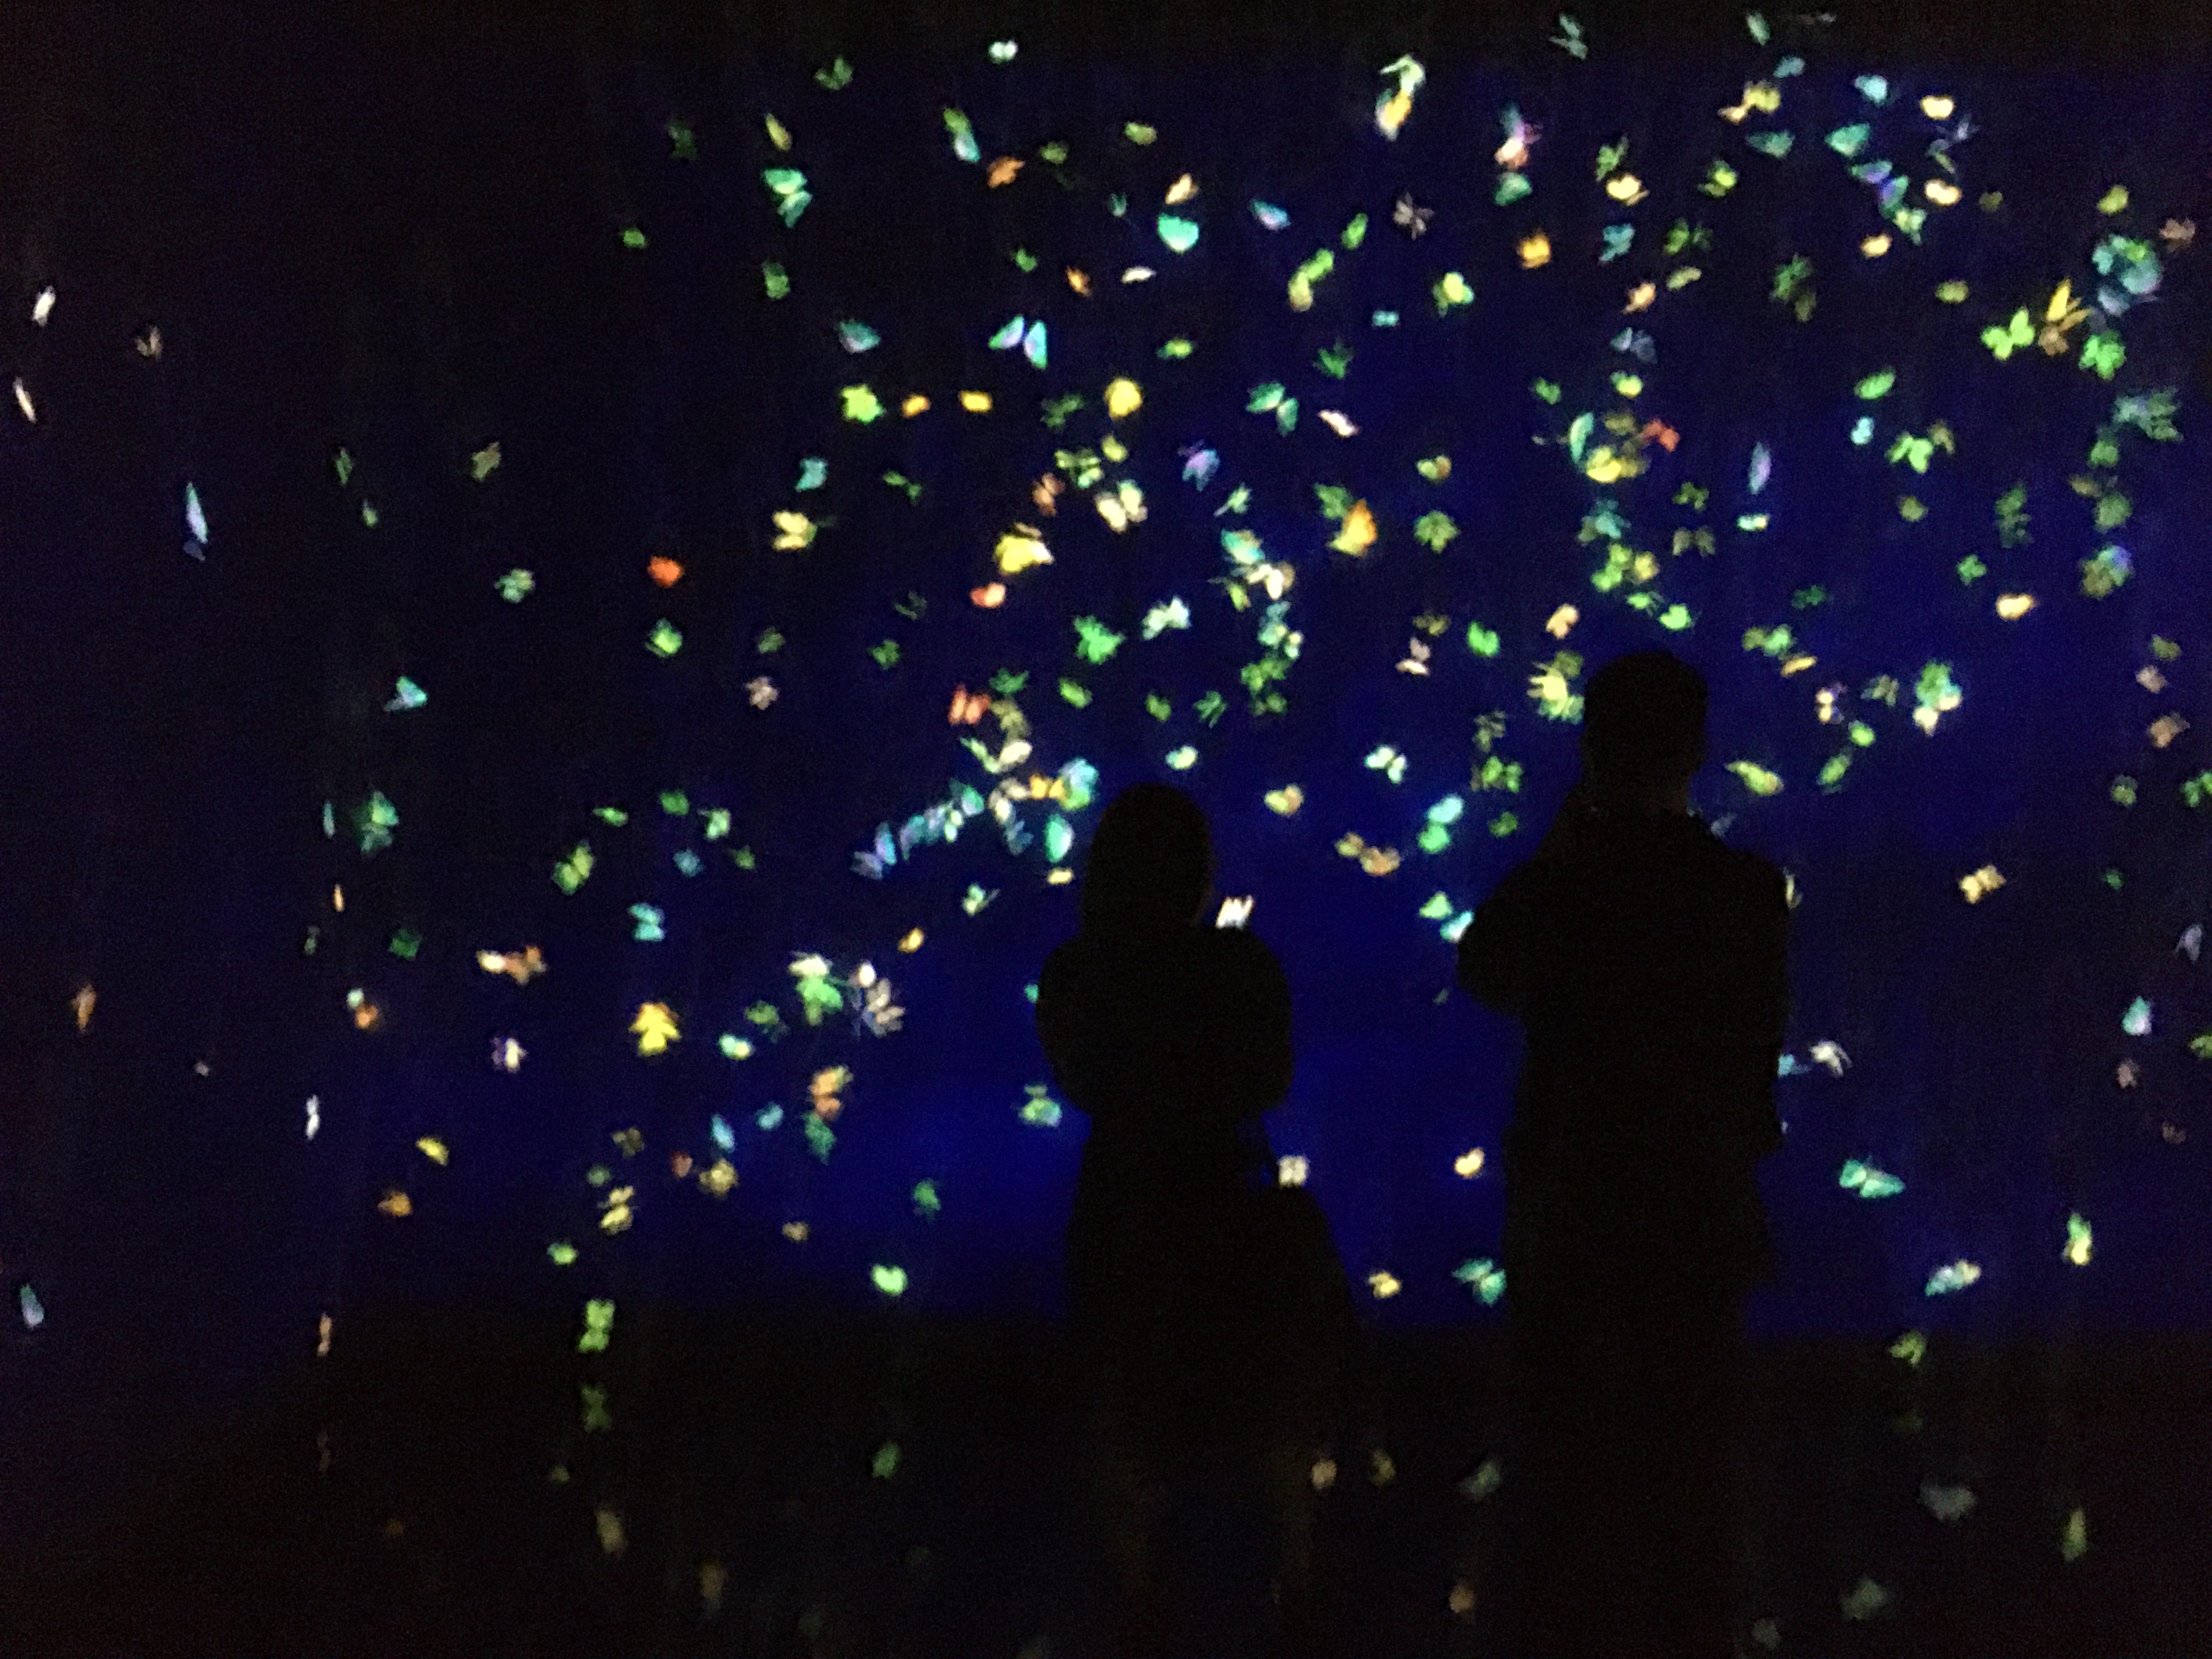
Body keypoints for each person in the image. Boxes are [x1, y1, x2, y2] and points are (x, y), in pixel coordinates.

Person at [1457, 650, 1792, 1659]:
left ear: (1590, 752)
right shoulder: (1747, 891)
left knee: (1569, 1476)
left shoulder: (1568, 889)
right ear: (1698, 750)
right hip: (1697, 1213)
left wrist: (1562, 846)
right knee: (1692, 1477)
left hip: (1575, 1215)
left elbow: (1484, 968)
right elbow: (1751, 1056)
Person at [1036, 782, 1357, 1659]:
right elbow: (1271, 1080)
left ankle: (1141, 1603)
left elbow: (1082, 1083)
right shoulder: (1239, 966)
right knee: (1266, 1401)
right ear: (1197, 871)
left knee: (1126, 1399)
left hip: (1125, 1200)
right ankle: (1296, 1595)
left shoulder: (1077, 971)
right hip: (1227, 1195)